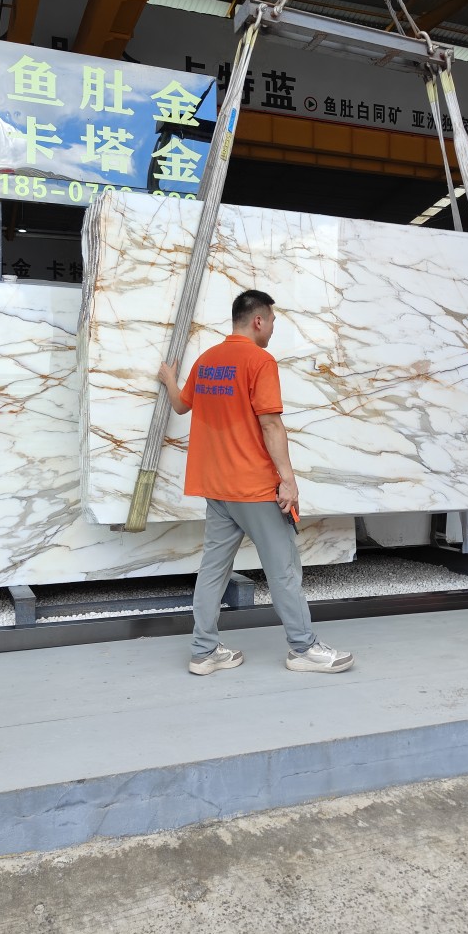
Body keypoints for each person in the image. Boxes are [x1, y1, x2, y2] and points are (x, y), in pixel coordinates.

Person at [158, 289, 355, 677]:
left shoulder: (207, 360)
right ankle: (303, 649)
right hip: (253, 488)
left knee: (213, 570)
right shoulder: (260, 361)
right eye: (273, 322)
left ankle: (203, 651)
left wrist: (168, 379)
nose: (273, 330)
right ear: (258, 320)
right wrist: (288, 481)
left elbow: (181, 405)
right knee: (283, 569)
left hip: (216, 488)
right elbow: (270, 424)